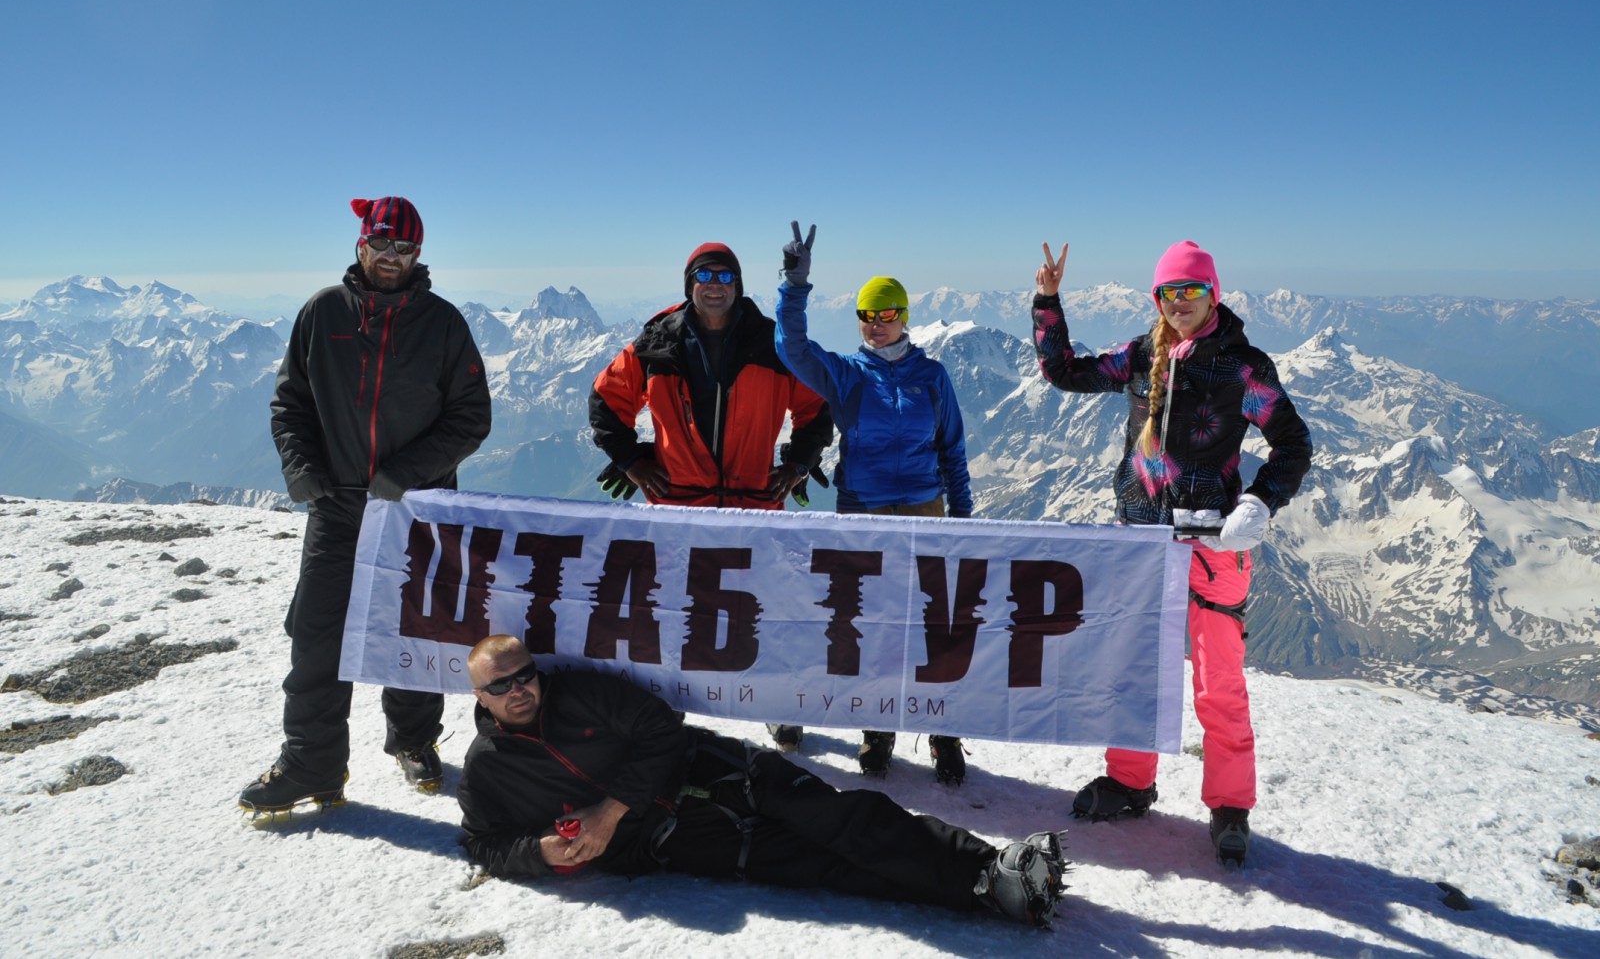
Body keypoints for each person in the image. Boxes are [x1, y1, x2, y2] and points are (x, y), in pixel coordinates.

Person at [456, 635, 1067, 927]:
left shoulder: (580, 694)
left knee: (838, 817)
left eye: (525, 675)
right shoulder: (488, 769)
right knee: (815, 864)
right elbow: (483, 842)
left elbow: (662, 730)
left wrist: (609, 810)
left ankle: (989, 868)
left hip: (714, 770)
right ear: (479, 697)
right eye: (501, 685)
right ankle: (988, 892)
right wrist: (539, 852)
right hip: (671, 837)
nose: (519, 690)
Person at [1031, 238, 1312, 866]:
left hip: (1211, 545)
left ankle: (1230, 807)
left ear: (1213, 293)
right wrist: (1048, 301)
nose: (1180, 301)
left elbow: (1293, 443)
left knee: (1219, 684)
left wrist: (1261, 501)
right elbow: (1063, 372)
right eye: (1169, 292)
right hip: (1140, 543)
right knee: (1133, 671)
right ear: (1156, 298)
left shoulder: (1243, 368)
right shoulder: (1140, 356)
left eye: (1192, 290)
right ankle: (1130, 782)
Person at [239, 196, 493, 814]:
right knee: (317, 635)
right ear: (361, 244)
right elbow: (291, 403)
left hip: (418, 509)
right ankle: (313, 765)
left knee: (414, 629)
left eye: (403, 248)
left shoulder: (442, 323)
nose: (391, 257)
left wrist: (404, 476)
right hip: (336, 506)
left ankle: (414, 741)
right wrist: (300, 468)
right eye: (381, 244)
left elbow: (471, 417)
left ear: (417, 254)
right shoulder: (322, 312)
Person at [772, 221, 974, 783]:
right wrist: (794, 285)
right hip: (863, 510)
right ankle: (878, 729)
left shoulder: (931, 376)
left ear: (905, 316)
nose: (877, 323)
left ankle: (943, 731)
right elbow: (791, 348)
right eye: (868, 314)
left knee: (933, 624)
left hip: (925, 510)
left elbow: (952, 449)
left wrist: (964, 519)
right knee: (870, 623)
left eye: (888, 313)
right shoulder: (847, 375)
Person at [588, 241, 833, 512]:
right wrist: (630, 460)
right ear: (690, 284)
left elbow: (817, 403)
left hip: (753, 510)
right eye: (704, 275)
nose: (715, 284)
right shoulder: (658, 343)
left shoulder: (770, 344)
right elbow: (605, 398)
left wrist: (800, 461)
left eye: (725, 276)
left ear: (736, 285)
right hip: (677, 510)